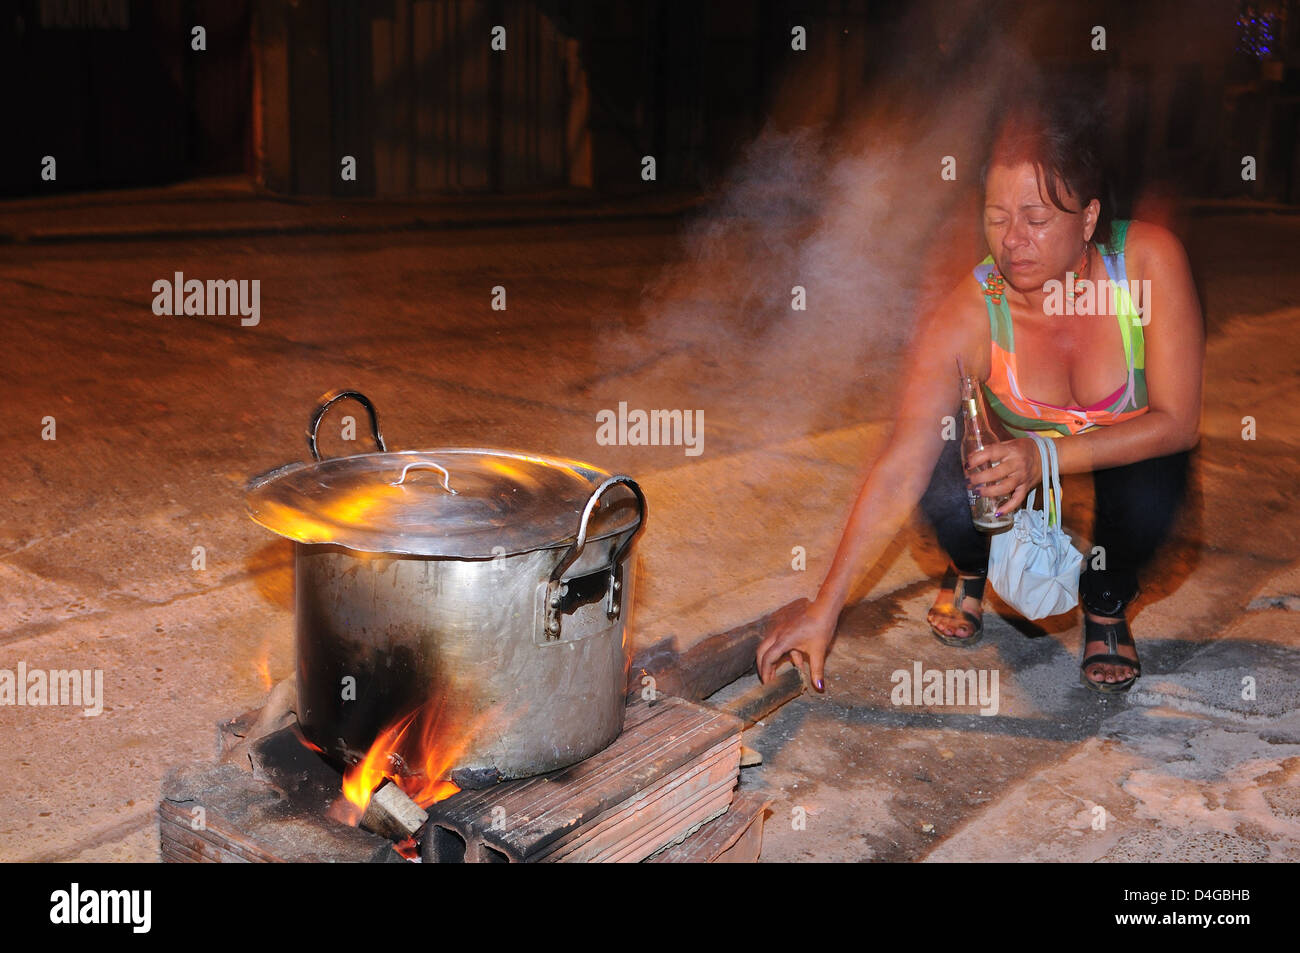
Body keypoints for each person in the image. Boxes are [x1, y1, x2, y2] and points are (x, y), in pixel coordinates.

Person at [756, 97, 1203, 696]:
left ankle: (1105, 601)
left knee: (1157, 477)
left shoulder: (1146, 263)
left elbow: (1180, 423)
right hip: (1006, 459)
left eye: (1037, 219)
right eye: (996, 217)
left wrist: (1044, 457)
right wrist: (825, 606)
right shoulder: (974, 309)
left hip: (1118, 452)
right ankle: (968, 565)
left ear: (1089, 219)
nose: (1013, 240)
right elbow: (900, 461)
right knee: (943, 458)